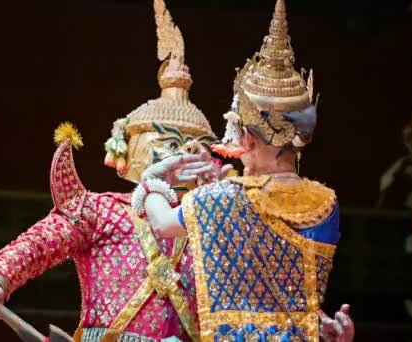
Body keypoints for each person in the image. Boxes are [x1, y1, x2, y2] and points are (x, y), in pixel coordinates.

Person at [0, 1, 227, 341]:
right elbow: (39, 244)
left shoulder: (211, 222)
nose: (182, 159)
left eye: (194, 149)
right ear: (136, 149)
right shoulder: (100, 211)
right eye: (171, 146)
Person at [130, 0, 355, 341]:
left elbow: (161, 222)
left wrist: (154, 180)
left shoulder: (218, 200)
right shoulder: (326, 205)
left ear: (247, 136)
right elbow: (292, 298)